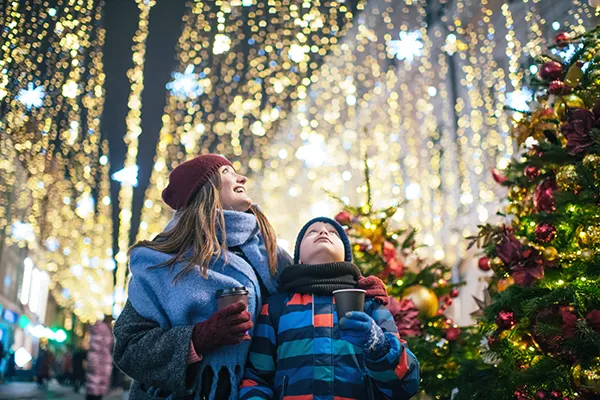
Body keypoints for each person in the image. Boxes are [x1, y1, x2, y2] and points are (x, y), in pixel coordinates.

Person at [113, 155, 386, 400]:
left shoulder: (269, 254)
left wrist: (357, 285)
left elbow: (311, 289)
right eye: (227, 173)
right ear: (203, 189)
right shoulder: (162, 262)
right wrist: (197, 339)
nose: (242, 177)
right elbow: (129, 347)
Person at [240, 217, 420, 399]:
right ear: (299, 258)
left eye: (333, 233)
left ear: (345, 256)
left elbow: (405, 385)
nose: (323, 232)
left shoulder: (370, 304)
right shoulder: (275, 307)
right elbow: (257, 378)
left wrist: (378, 345)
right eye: (312, 232)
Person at [85, 315, 114, 400]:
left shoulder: (97, 329)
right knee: (97, 386)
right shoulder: (104, 330)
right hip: (101, 361)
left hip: (95, 360)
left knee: (93, 384)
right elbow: (105, 346)